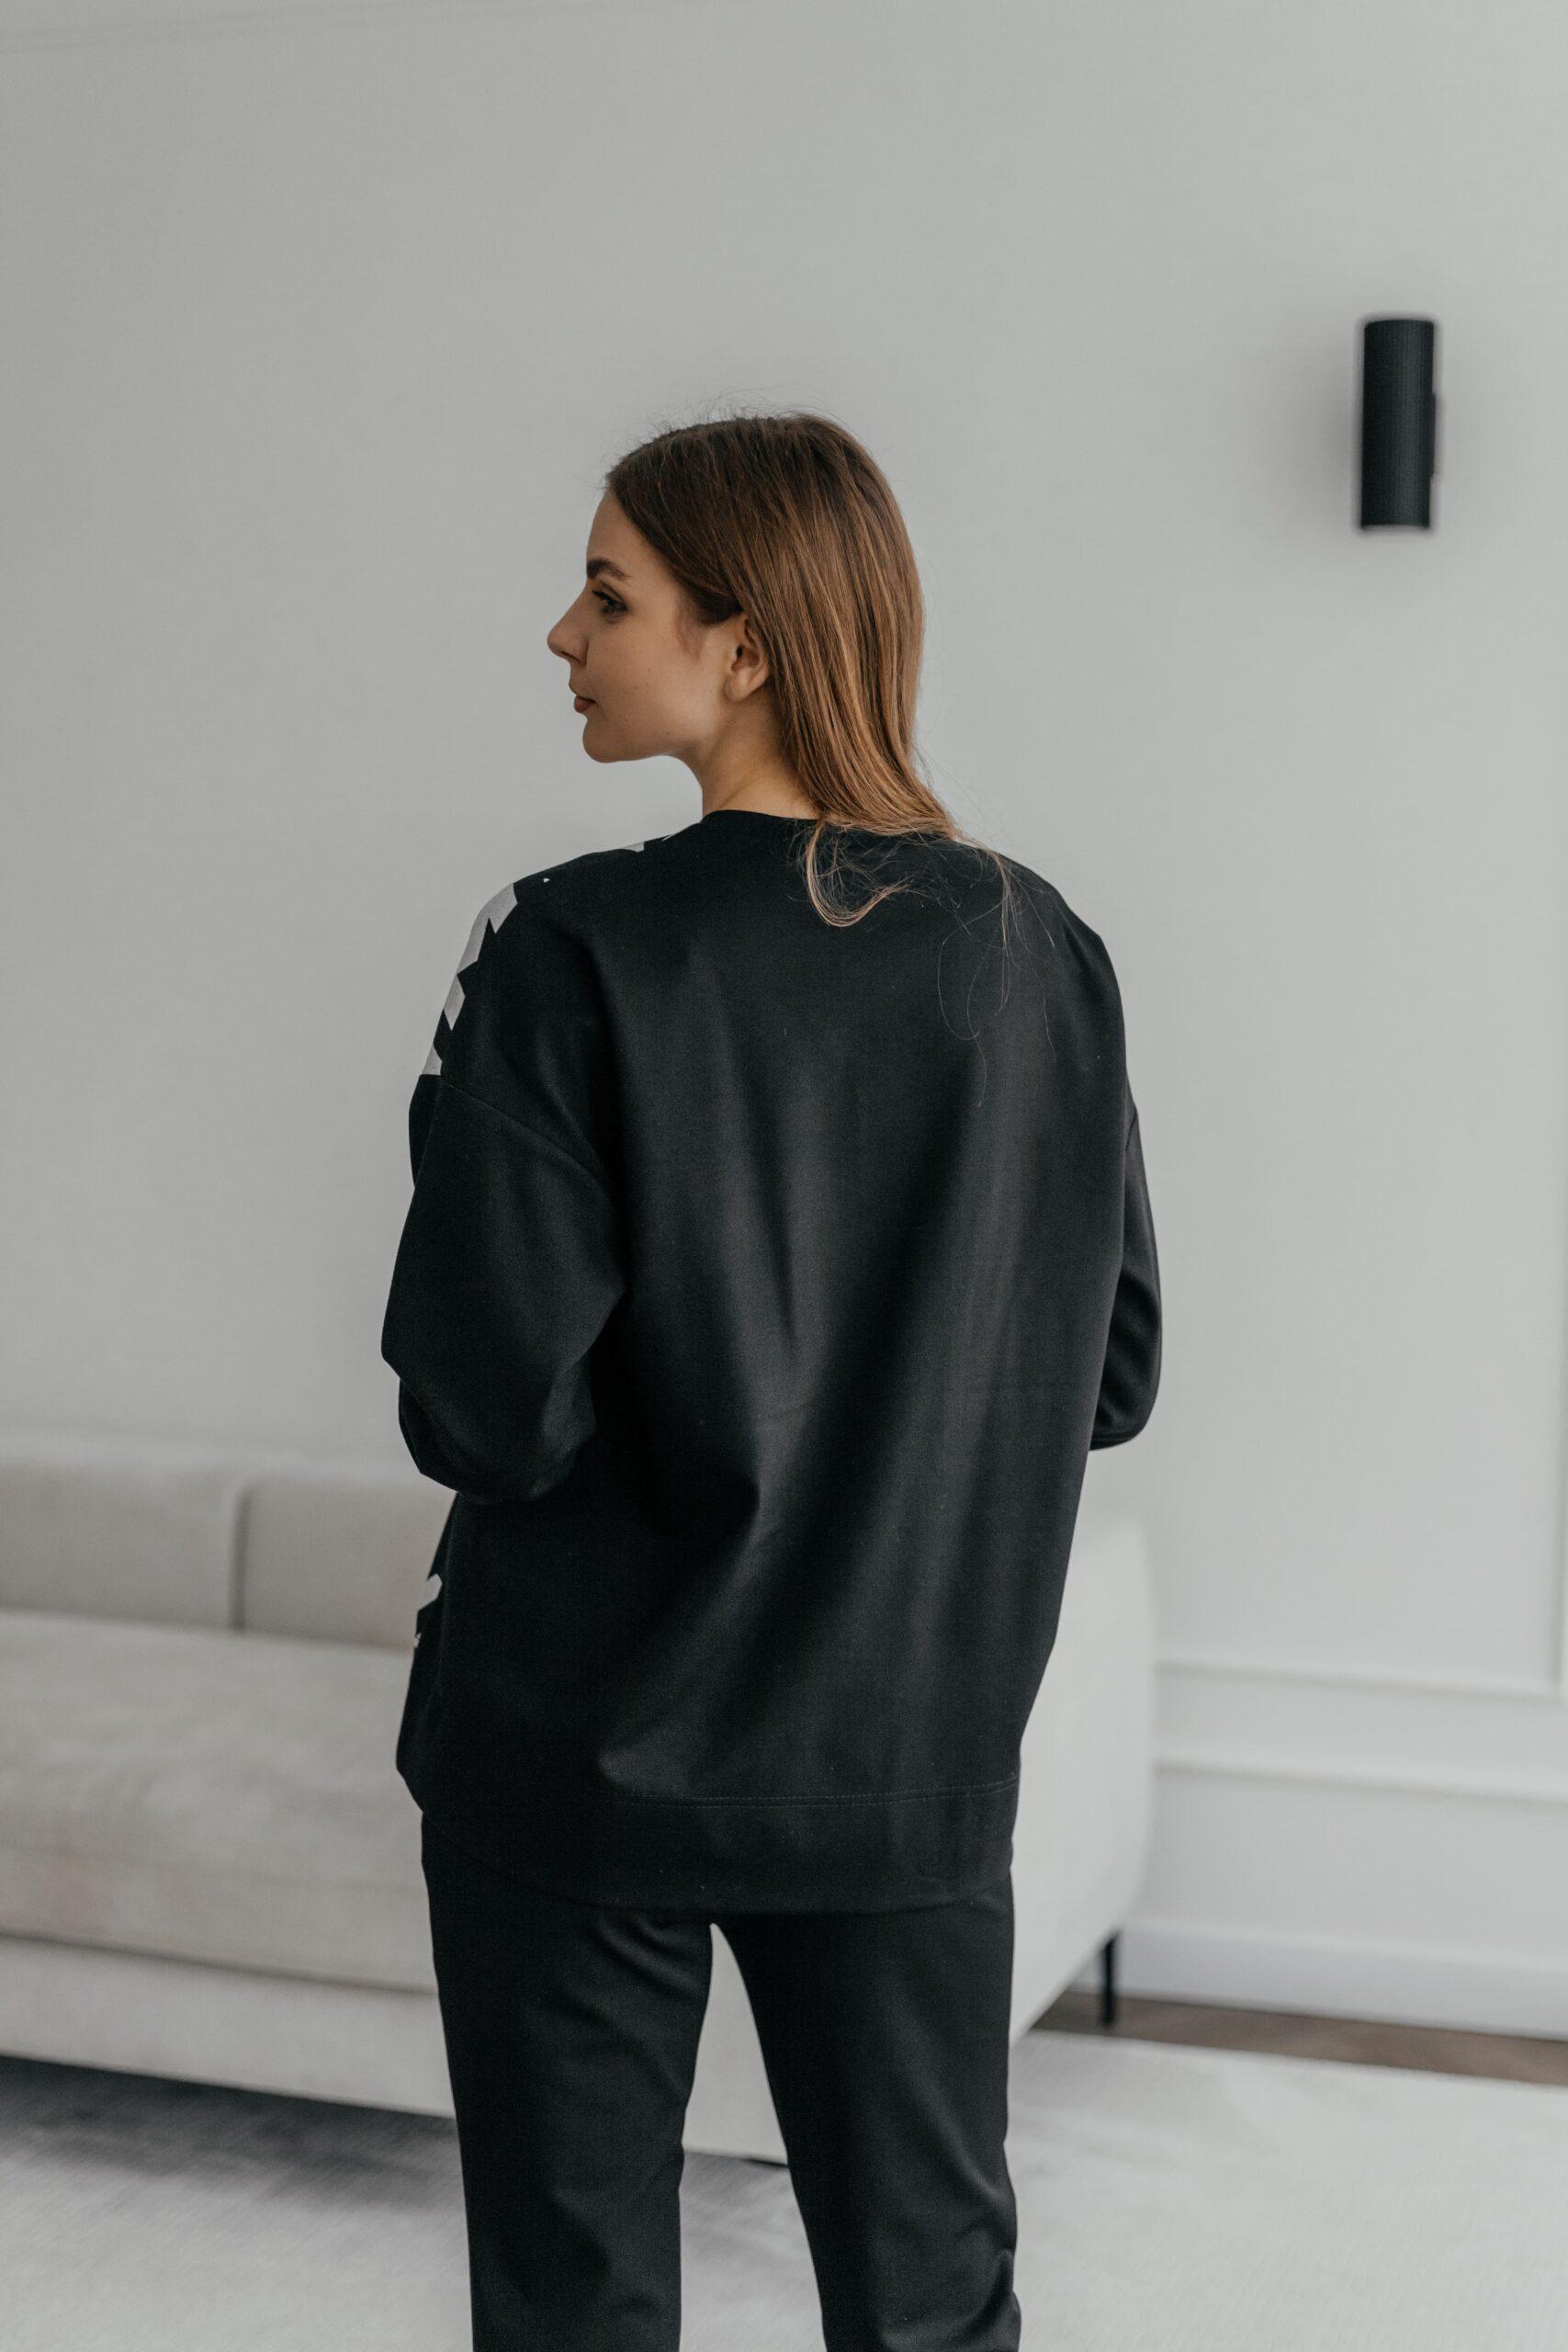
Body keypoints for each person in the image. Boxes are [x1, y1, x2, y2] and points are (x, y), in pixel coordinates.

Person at [379, 410, 1161, 2352]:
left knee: (574, 2308)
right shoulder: (1038, 950)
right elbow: (1111, 1372)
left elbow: (484, 1410)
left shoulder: (571, 944)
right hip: (904, 1750)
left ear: (742, 644)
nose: (562, 634)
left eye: (607, 593)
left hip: (581, 1753)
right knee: (931, 2307)